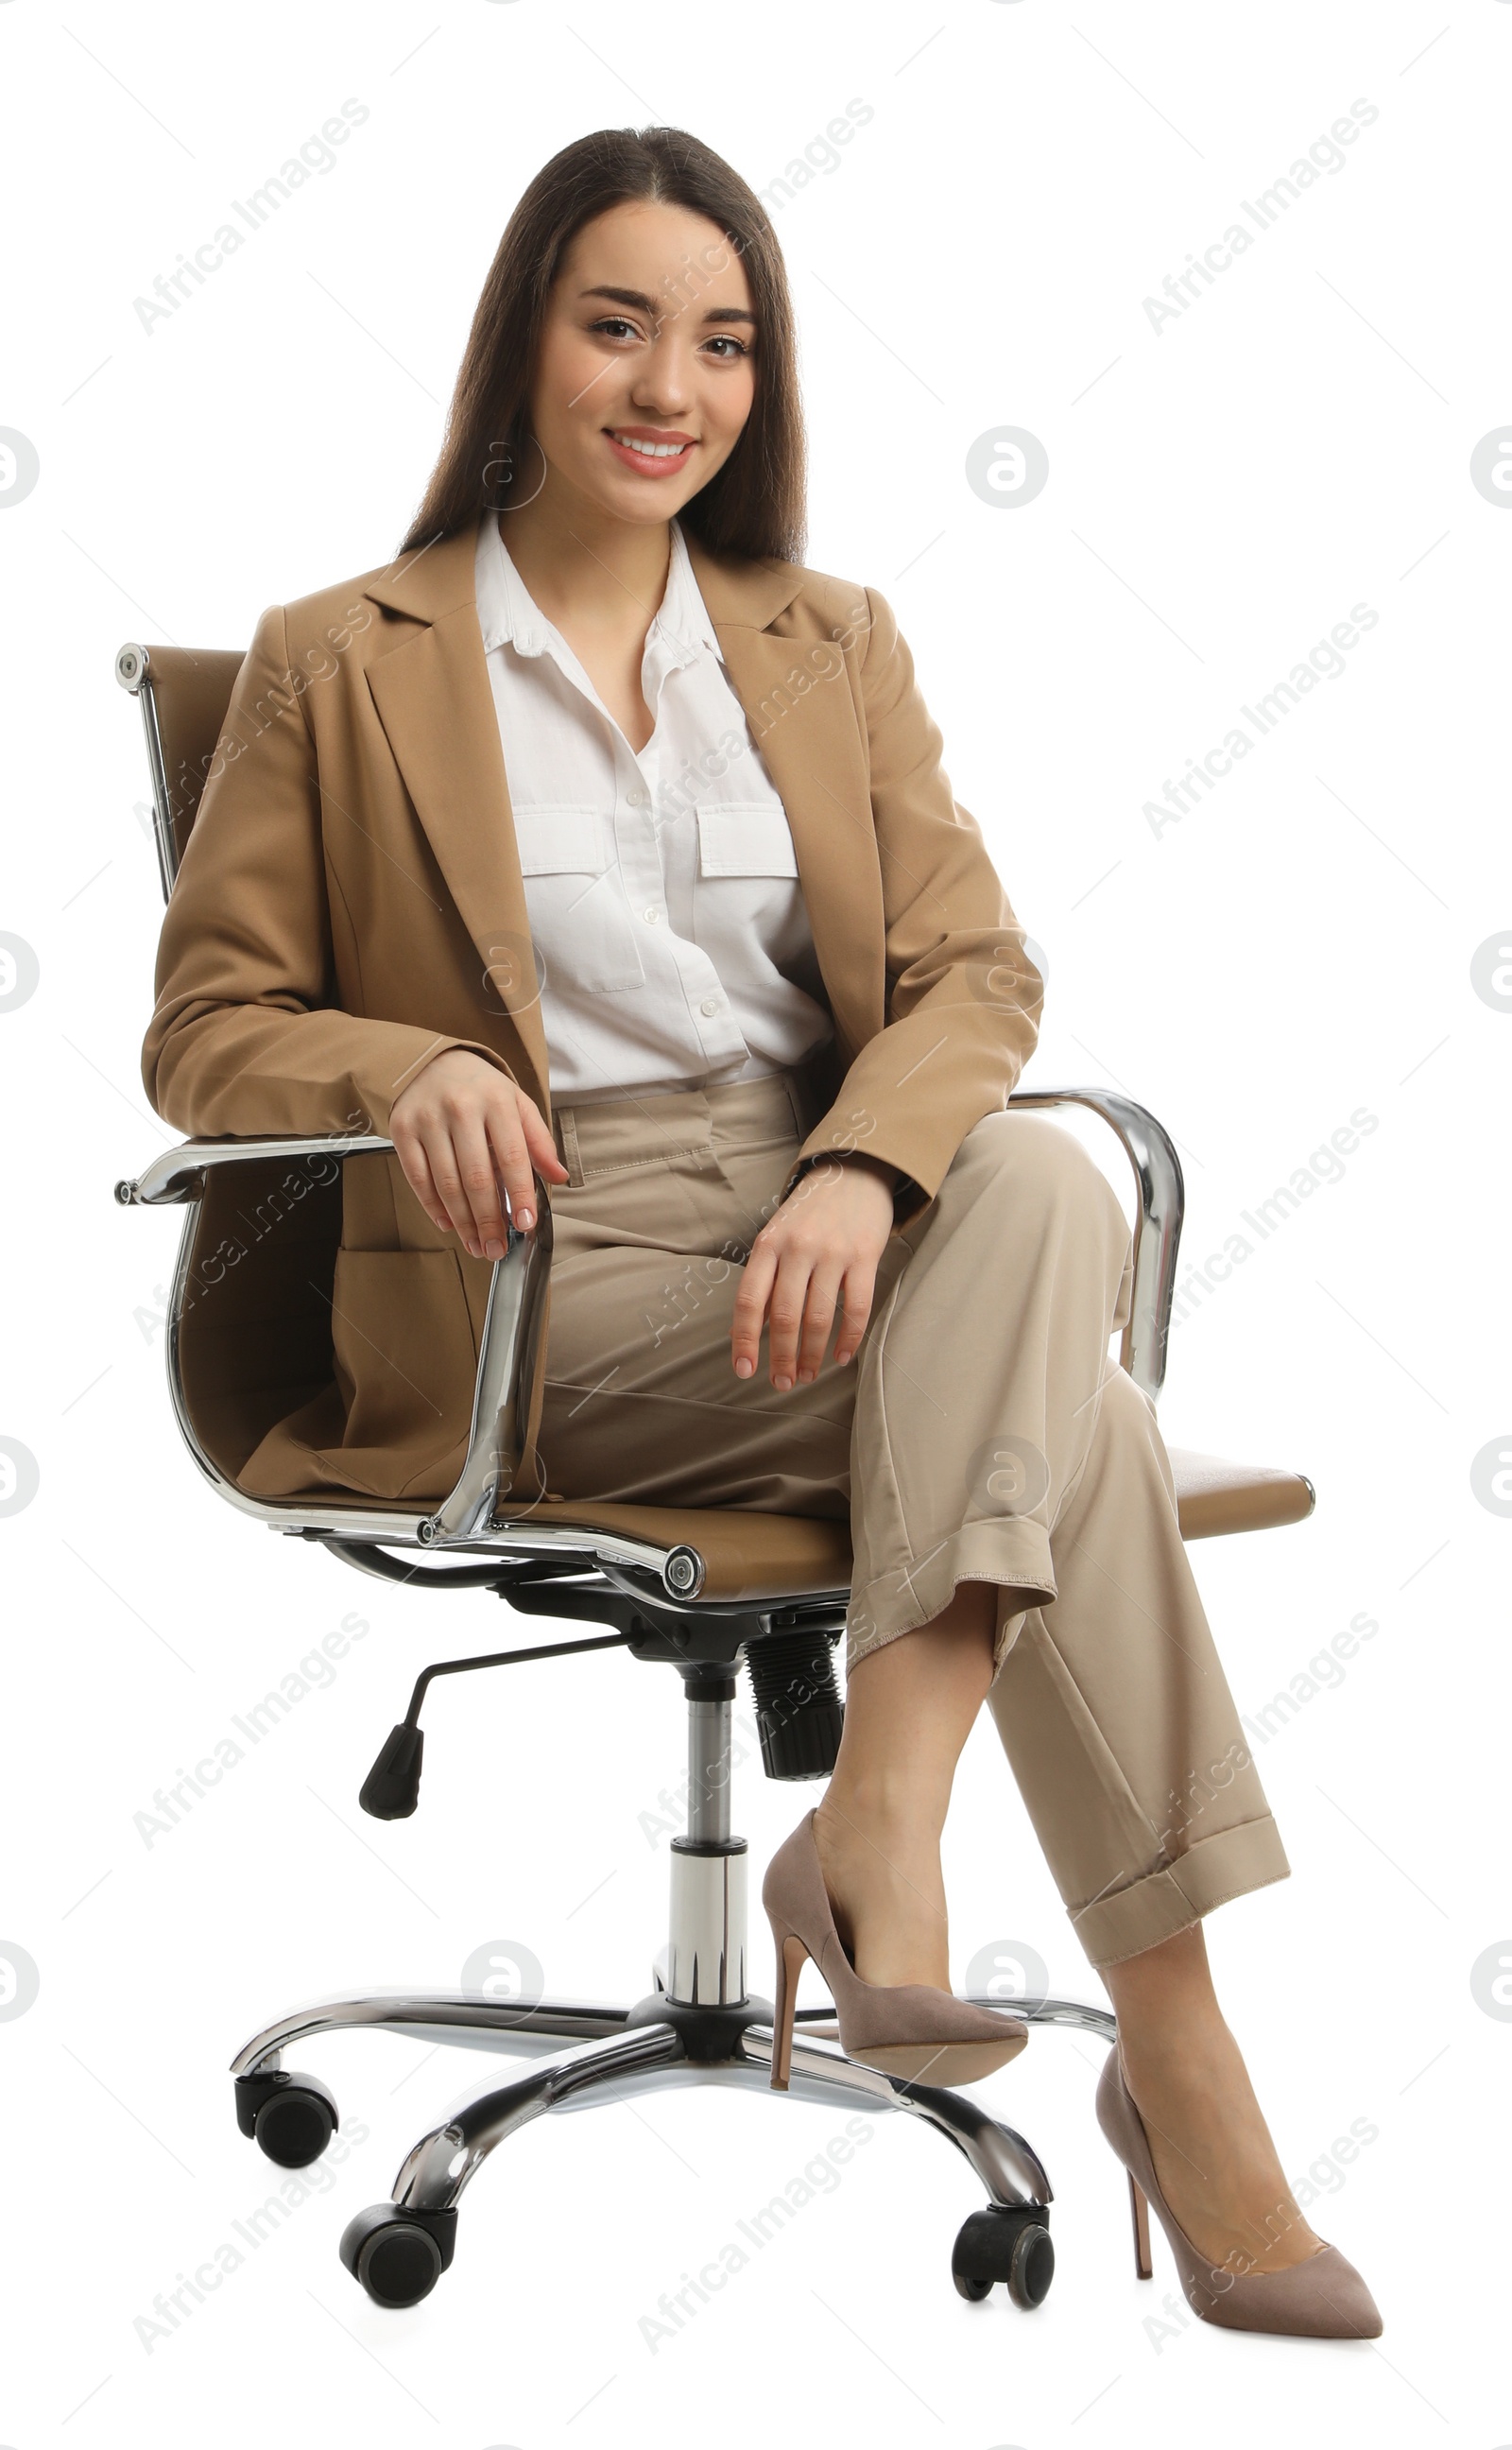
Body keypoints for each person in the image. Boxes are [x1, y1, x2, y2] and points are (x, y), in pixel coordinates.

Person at [142, 125, 1379, 2339]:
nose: (668, 386)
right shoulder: (340, 658)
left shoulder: (825, 643)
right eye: (616, 323)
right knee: (1066, 1435)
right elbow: (206, 1032)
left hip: (833, 1227)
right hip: (528, 1264)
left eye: (720, 343)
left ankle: (875, 1818)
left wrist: (849, 1164)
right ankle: (1181, 2075)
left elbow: (975, 978)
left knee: (1022, 1164)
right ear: (523, 340)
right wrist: (394, 1069)